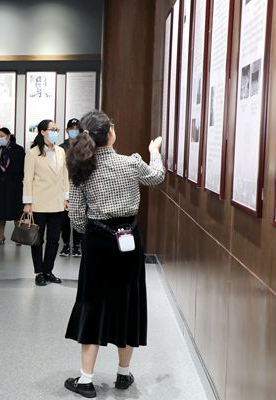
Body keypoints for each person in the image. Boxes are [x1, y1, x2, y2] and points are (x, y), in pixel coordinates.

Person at [63, 111, 165, 398]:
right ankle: (123, 373)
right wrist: (154, 151)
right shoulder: (130, 163)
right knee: (128, 301)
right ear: (110, 133)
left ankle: (85, 380)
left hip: (97, 241)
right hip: (128, 240)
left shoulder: (81, 167)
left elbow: (76, 217)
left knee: (92, 302)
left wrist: (92, 233)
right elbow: (157, 177)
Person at [23, 119, 69, 286]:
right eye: (52, 129)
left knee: (54, 239)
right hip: (39, 203)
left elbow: (65, 176)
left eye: (57, 129)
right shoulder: (33, 153)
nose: (55, 132)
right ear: (42, 132)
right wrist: (27, 202)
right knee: (37, 239)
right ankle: (39, 272)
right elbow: (28, 179)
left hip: (57, 203)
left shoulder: (61, 151)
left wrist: (66, 198)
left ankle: (48, 270)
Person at [0, 127, 25, 244]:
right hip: (2, 185)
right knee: (1, 212)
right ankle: (1, 236)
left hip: (15, 184)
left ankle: (18, 236)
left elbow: (23, 167)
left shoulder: (19, 150)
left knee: (17, 211)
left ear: (8, 136)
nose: (0, 138)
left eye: (2, 136)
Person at [59, 118, 83, 257]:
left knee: (78, 216)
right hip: (64, 186)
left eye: (77, 128)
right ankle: (66, 244)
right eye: (71, 128)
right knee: (65, 218)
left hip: (79, 186)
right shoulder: (61, 148)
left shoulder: (84, 146)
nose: (74, 131)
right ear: (67, 130)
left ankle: (77, 245)